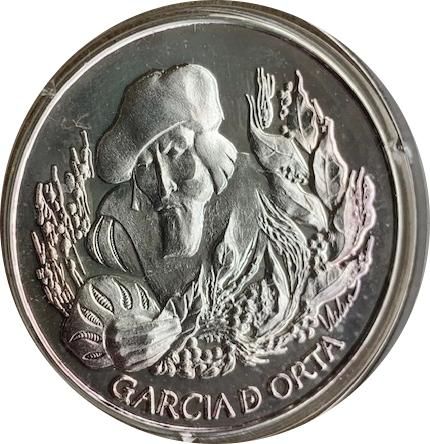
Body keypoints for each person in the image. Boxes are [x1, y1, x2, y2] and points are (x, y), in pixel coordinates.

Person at [87, 64, 268, 305]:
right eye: (145, 166)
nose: (164, 187)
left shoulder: (262, 191)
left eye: (175, 151)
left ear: (210, 150)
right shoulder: (113, 233)